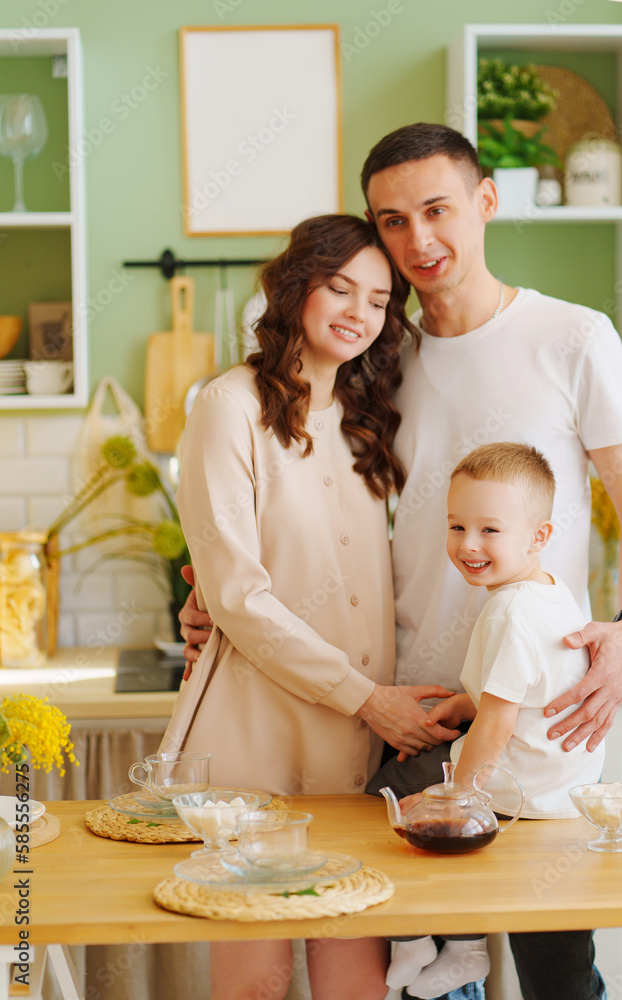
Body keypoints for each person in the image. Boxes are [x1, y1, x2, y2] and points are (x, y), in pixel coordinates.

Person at [182, 123, 622, 1000]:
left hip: (533, 708)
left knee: (555, 969)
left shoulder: (573, 335)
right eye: (392, 221)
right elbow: (315, 509)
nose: (417, 241)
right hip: (398, 713)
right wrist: (209, 593)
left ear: (485, 202)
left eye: (436, 210)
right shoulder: (378, 357)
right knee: (424, 978)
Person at [159, 213, 452, 1000]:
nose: (359, 311)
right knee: (255, 981)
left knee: (354, 983)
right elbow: (237, 596)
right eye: (339, 287)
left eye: (379, 298)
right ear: (296, 287)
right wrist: (370, 700)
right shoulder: (225, 406)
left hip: (357, 752)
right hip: (256, 742)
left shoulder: (364, 418)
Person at [385, 442, 606, 999]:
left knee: (391, 795)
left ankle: (436, 942)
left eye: (490, 530)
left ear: (539, 537)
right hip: (565, 796)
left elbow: (498, 729)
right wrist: (467, 703)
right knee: (561, 963)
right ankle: (451, 944)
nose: (468, 545)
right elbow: (522, 692)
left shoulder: (509, 610)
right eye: (457, 526)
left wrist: (457, 800)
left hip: (518, 798)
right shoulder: (552, 594)